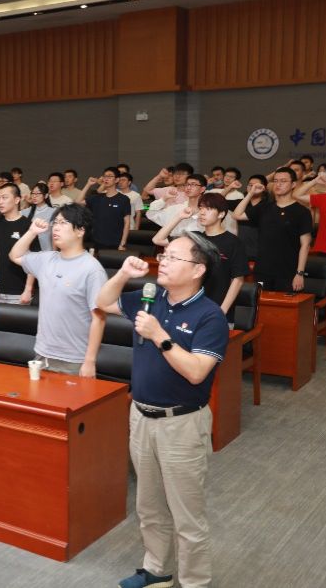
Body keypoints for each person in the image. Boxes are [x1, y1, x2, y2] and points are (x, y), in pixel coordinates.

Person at [97, 235, 228, 588]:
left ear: (198, 270)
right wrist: (123, 274)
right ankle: (156, 570)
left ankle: (195, 582)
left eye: (173, 257)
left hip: (181, 424)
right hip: (141, 417)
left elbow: (197, 372)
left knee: (187, 514)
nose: (163, 261)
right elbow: (103, 302)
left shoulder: (210, 316)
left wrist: (160, 335)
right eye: (163, 255)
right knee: (149, 506)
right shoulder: (150, 296)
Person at [9, 204, 107, 376]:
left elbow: (99, 319)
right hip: (42, 354)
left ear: (80, 231)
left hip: (74, 359)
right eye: (55, 222)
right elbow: (15, 255)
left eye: (63, 223)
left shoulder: (92, 269)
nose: (56, 227)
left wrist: (89, 361)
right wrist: (32, 232)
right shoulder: (47, 259)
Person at [154, 194, 248, 317]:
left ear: (221, 214)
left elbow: (238, 280)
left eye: (208, 209)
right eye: (201, 208)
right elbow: (158, 239)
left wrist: (222, 311)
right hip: (189, 307)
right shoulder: (194, 238)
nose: (202, 212)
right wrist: (179, 217)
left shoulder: (233, 242)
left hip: (217, 307)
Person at [233, 167, 311, 292]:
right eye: (275, 181)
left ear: (293, 184)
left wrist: (300, 273)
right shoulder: (264, 207)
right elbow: (237, 215)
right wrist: (251, 193)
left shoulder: (302, 212)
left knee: (283, 303)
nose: (278, 184)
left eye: (283, 181)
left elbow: (305, 245)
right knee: (259, 302)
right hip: (262, 269)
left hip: (287, 271)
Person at [0, 183, 37, 304]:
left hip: (17, 292)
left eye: (4, 198)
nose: (0, 202)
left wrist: (28, 289)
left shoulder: (28, 226)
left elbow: (33, 260)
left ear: (17, 200)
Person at [77, 168, 131, 251]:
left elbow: (127, 223)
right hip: (96, 241)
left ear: (117, 180)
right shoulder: (97, 198)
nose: (106, 179)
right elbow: (77, 202)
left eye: (109, 176)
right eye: (105, 176)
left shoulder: (124, 199)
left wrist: (122, 244)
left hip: (115, 242)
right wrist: (88, 184)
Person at [25, 182, 55, 250]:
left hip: (47, 250)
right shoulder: (27, 211)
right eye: (33, 193)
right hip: (30, 251)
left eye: (38, 193)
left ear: (46, 195)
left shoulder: (53, 212)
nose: (34, 196)